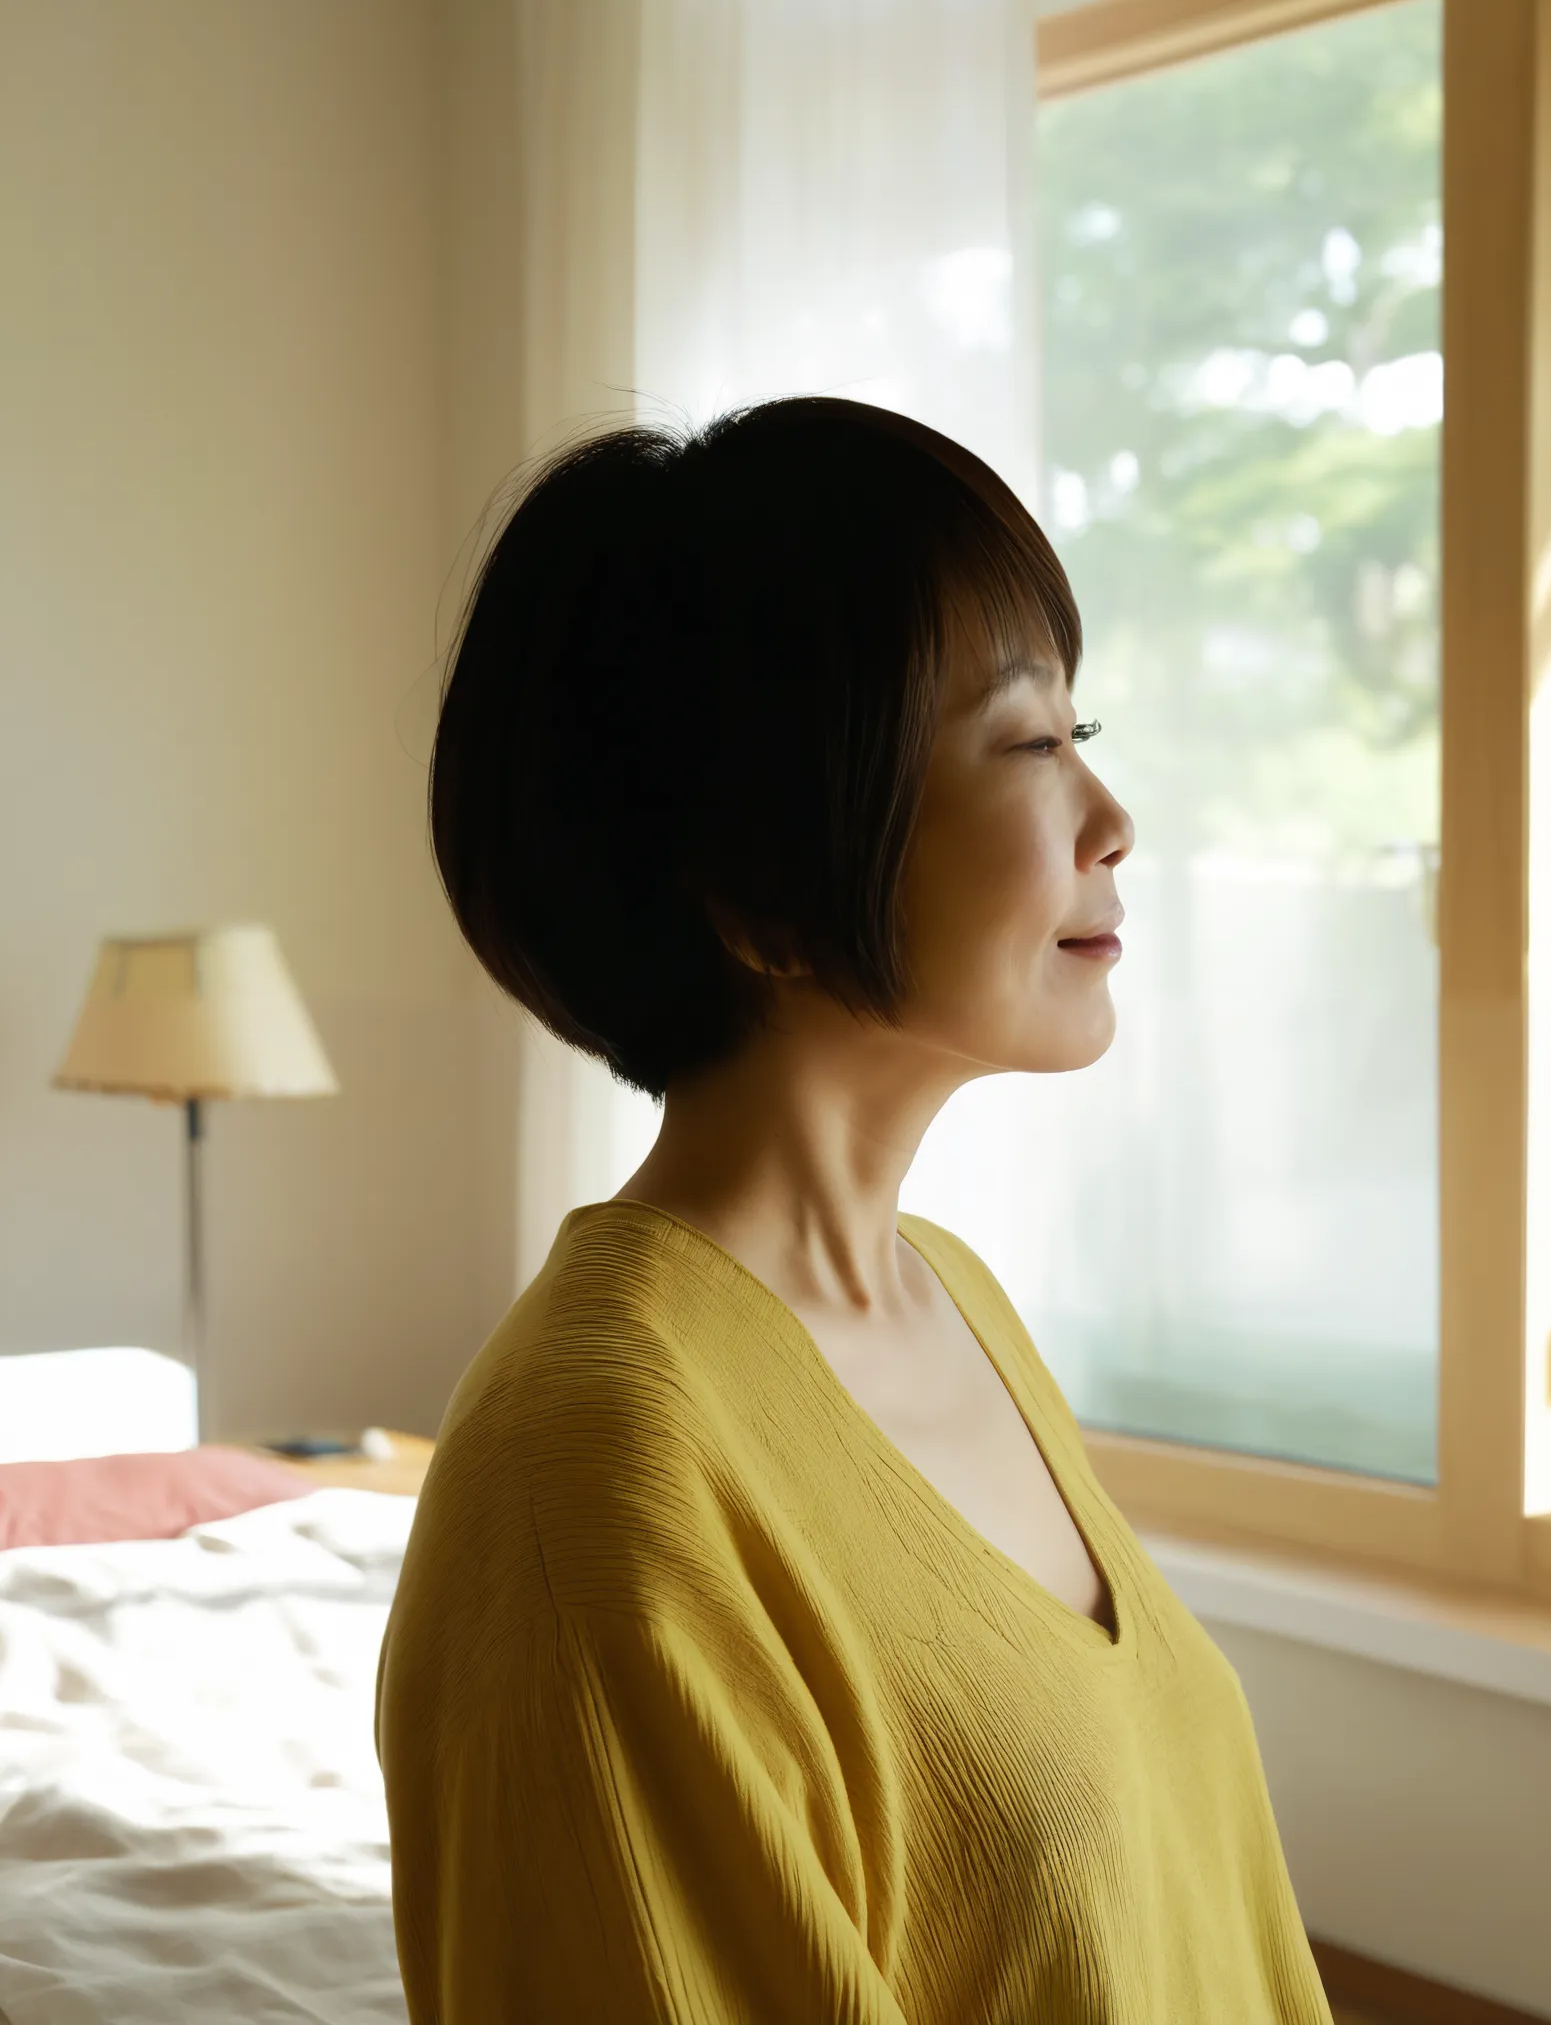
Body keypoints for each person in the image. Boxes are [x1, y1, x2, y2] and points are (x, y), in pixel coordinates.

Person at [377, 398, 1335, 2024]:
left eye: (1083, 738)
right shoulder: (598, 1476)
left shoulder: (947, 1296)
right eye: (1033, 745)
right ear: (759, 883)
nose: (1112, 820)